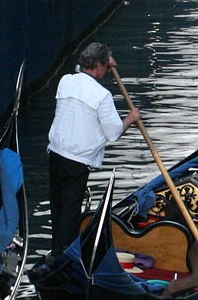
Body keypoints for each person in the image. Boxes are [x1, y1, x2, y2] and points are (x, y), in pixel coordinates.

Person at [47, 43, 140, 255]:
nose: (107, 71)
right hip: (77, 161)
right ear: (99, 65)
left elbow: (85, 80)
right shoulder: (102, 95)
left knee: (58, 207)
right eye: (106, 67)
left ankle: (56, 252)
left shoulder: (66, 81)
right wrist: (131, 118)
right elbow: (114, 132)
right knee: (70, 212)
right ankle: (66, 257)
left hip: (55, 154)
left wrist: (107, 62)